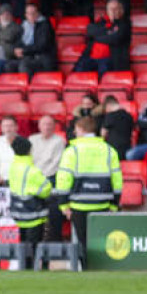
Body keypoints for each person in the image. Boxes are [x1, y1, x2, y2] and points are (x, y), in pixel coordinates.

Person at [54, 114, 122, 266]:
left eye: (76, 130)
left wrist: (63, 205)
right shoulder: (109, 150)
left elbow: (63, 179)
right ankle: (103, 271)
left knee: (84, 244)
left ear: (80, 129)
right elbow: (117, 181)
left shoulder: (72, 151)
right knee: (101, 243)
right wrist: (114, 204)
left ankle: (87, 270)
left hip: (79, 205)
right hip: (103, 204)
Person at [8, 135, 51, 266]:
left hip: (18, 212)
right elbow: (46, 188)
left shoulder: (13, 167)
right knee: (36, 245)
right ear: (29, 151)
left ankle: (24, 266)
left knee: (23, 244)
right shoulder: (32, 170)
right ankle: (37, 267)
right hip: (34, 213)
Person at [29, 114, 66, 241]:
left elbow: (56, 163)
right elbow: (29, 160)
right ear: (39, 126)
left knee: (54, 205)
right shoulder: (32, 139)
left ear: (55, 126)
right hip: (34, 177)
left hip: (50, 177)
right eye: (44, 124)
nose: (47, 127)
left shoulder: (59, 141)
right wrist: (36, 176)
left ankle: (55, 238)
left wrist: (40, 177)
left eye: (50, 124)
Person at [75, 0, 131, 74]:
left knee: (103, 73)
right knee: (78, 72)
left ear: (121, 10)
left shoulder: (125, 23)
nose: (113, 11)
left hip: (110, 59)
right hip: (90, 57)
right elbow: (90, 31)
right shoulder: (101, 21)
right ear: (107, 11)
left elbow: (114, 39)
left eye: (116, 9)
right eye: (111, 9)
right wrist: (107, 32)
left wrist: (96, 37)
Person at [15, 2, 56, 76]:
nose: (31, 16)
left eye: (33, 13)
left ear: (38, 14)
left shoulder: (45, 25)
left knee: (24, 66)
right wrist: (17, 49)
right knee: (9, 65)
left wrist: (24, 51)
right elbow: (18, 41)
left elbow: (41, 46)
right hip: (29, 56)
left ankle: (28, 87)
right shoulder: (24, 26)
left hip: (42, 59)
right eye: (29, 14)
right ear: (26, 15)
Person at [99, 95, 134, 161]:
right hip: (126, 150)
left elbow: (103, 134)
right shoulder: (129, 116)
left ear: (108, 106)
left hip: (112, 151)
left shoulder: (110, 116)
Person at [0, 115, 19, 185]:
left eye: (11, 126)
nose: (8, 129)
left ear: (16, 127)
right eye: (5, 126)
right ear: (1, 128)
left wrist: (5, 178)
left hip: (15, 179)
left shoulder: (24, 142)